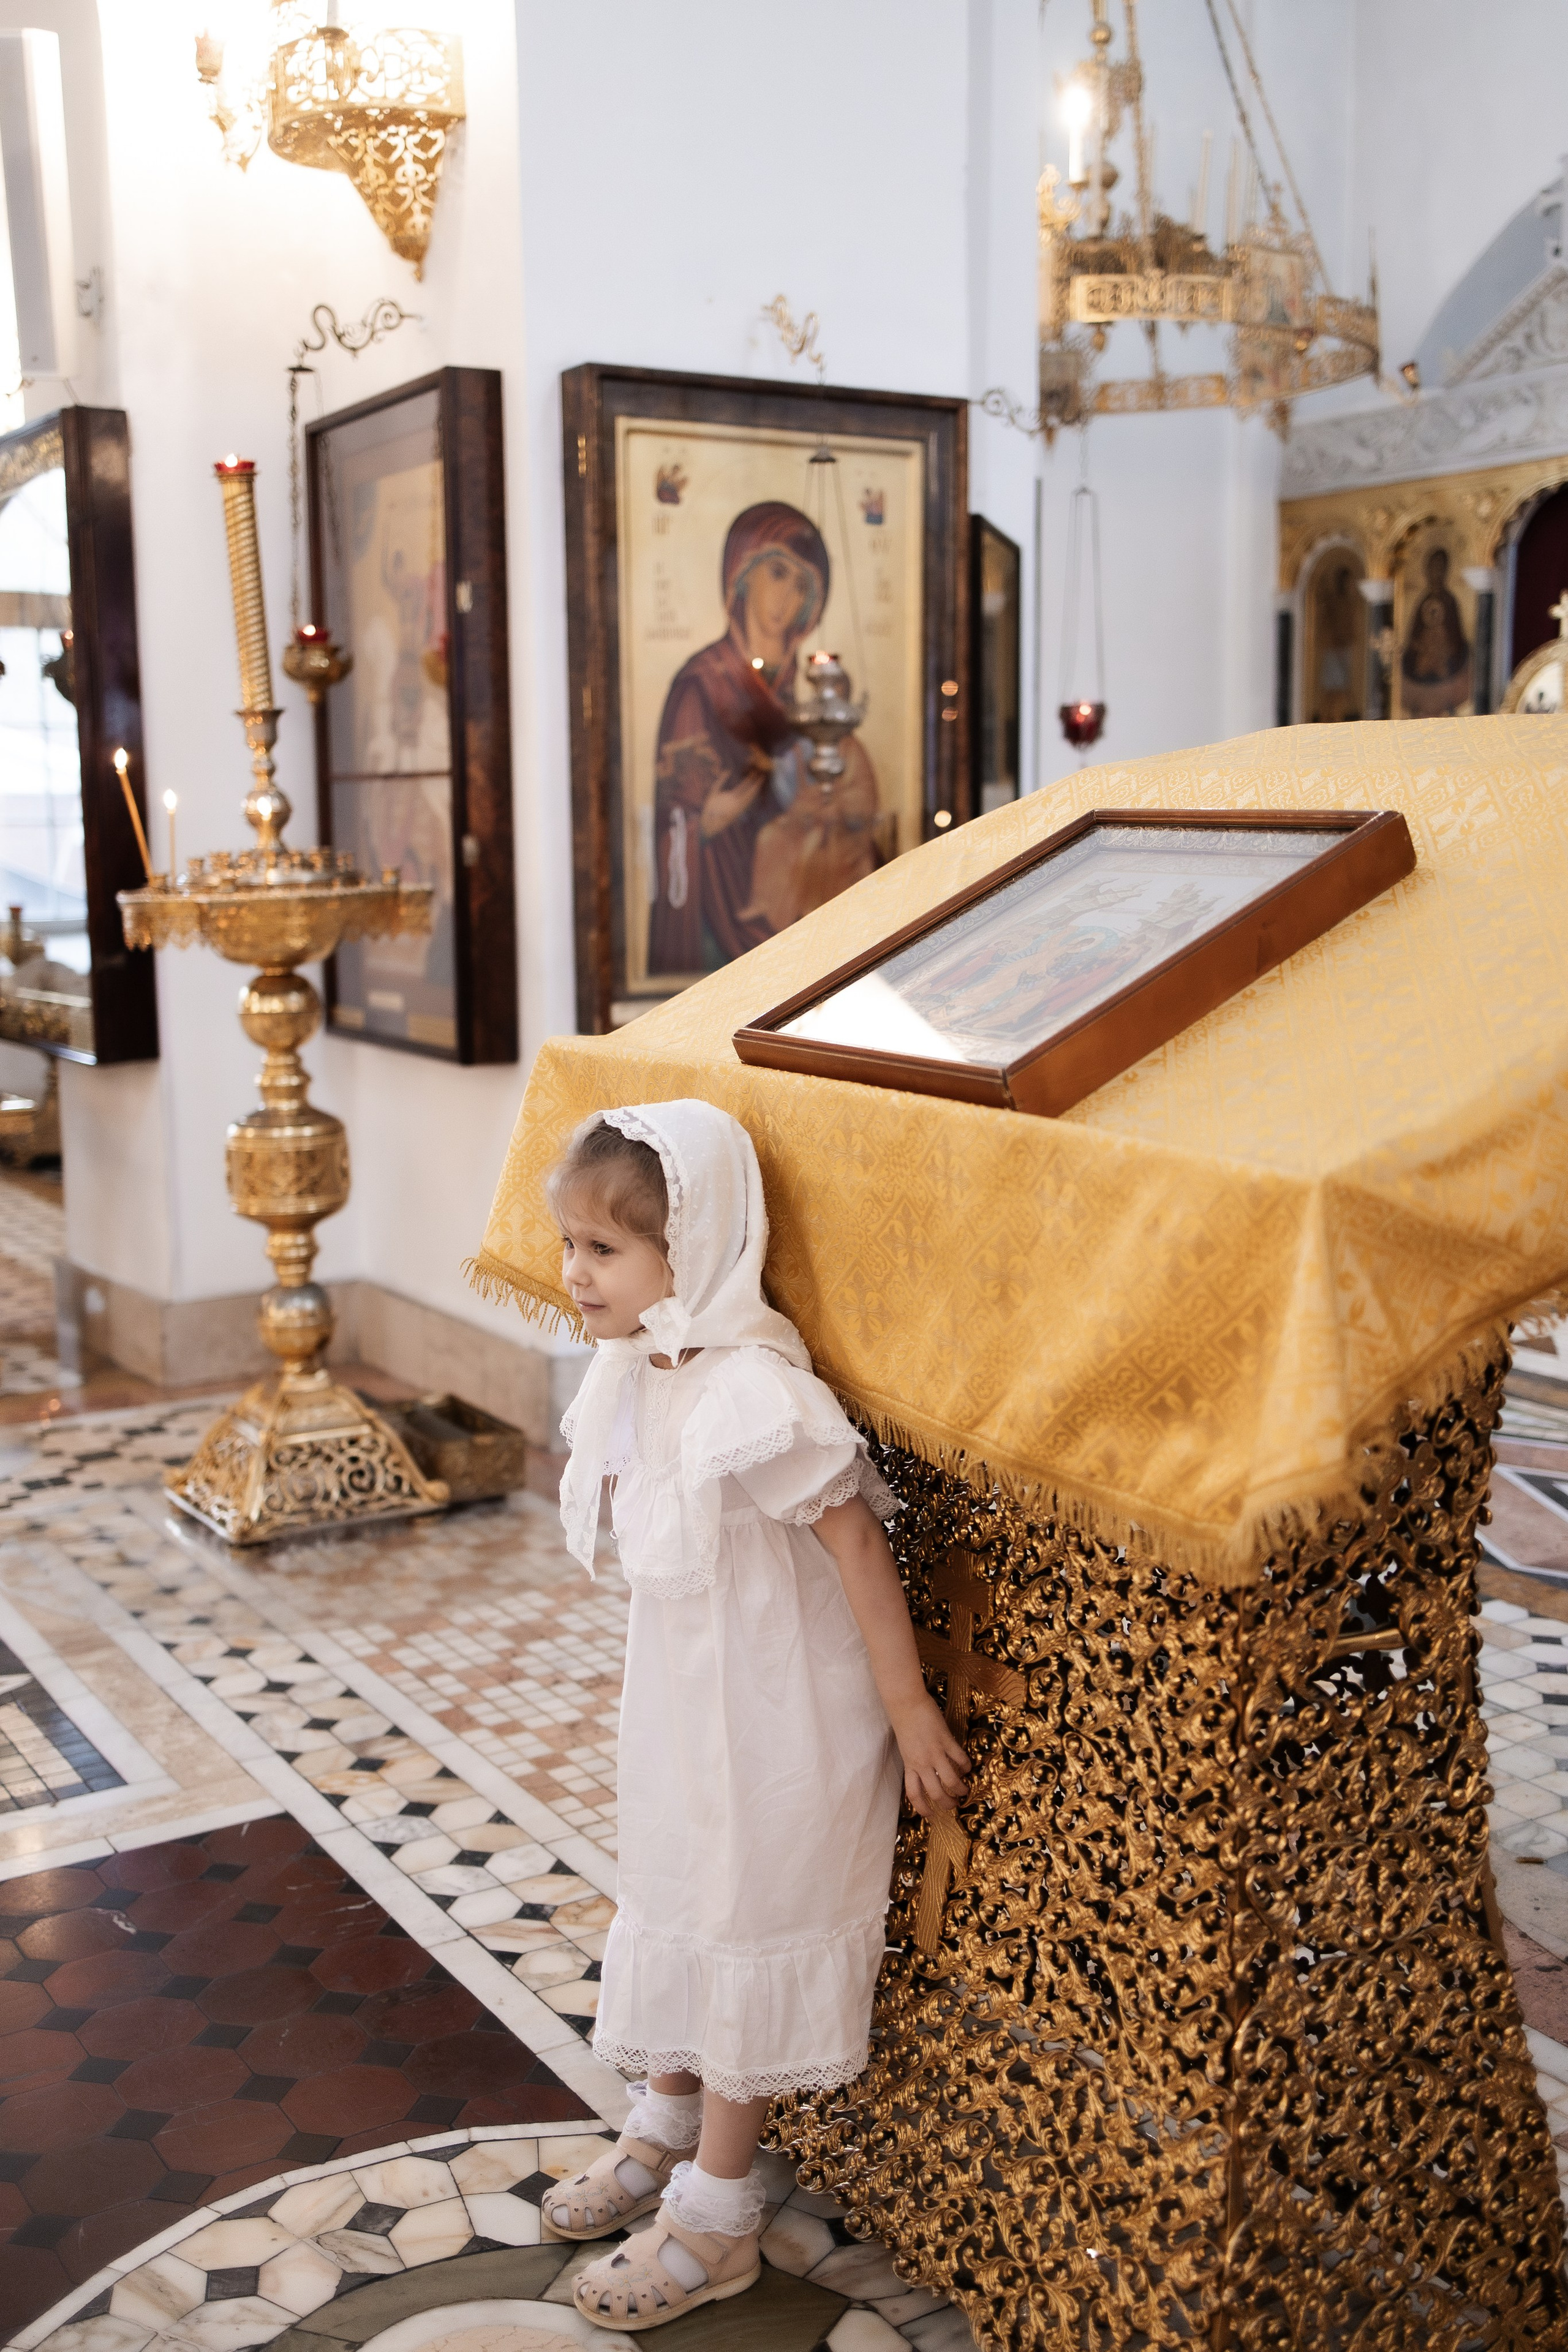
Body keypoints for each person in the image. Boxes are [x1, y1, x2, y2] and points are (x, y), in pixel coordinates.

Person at [540, 1099, 969, 2331]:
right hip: (687, 1701)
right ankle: (666, 2118)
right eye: (571, 1244)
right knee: (677, 1883)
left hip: (779, 1714)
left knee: (745, 1908)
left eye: (603, 1250)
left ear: (698, 1247)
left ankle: (719, 2212)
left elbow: (852, 1543)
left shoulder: (753, 1388)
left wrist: (903, 1709)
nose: (574, 1274)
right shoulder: (639, 1367)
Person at [646, 502, 882, 977]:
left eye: (803, 586)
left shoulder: (814, 698)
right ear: (741, 573)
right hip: (723, 919)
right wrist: (708, 823)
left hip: (814, 913)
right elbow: (676, 817)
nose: (787, 598)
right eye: (777, 573)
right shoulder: (701, 685)